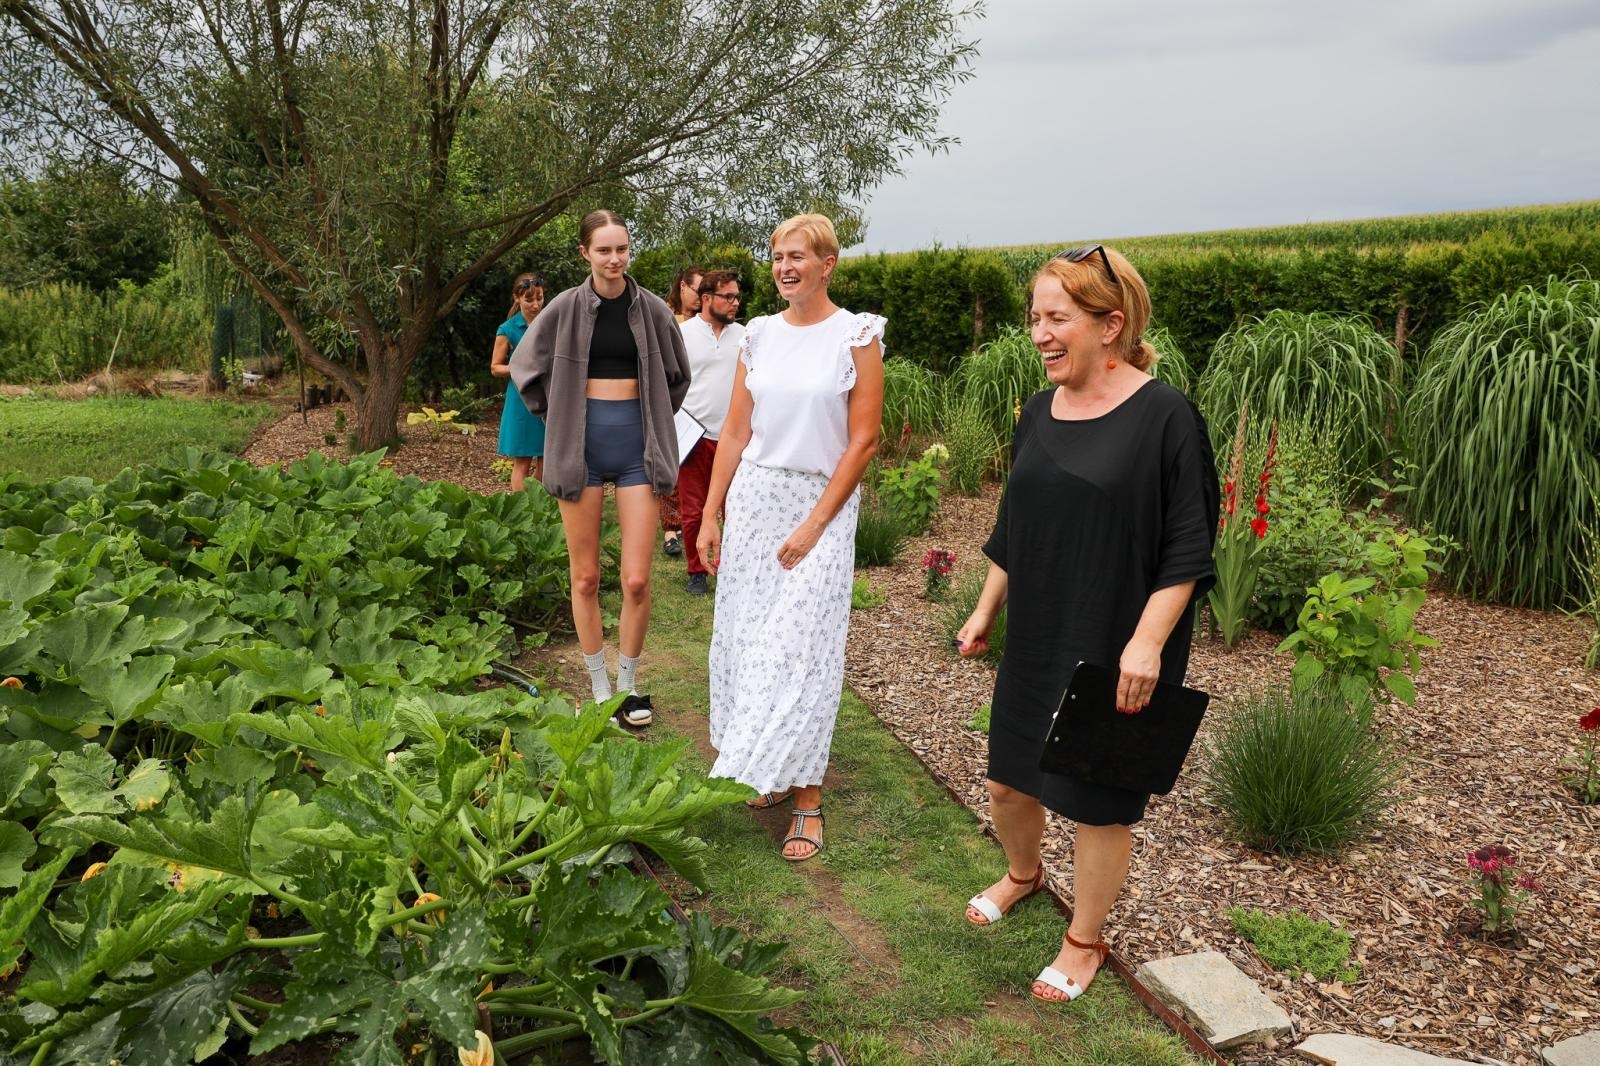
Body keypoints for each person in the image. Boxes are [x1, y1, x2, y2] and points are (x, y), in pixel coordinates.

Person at [955, 245, 1218, 1003]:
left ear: (1110, 324)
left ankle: (1085, 940)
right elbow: (1016, 524)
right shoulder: (1038, 410)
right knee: (1010, 783)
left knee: (1097, 804)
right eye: (1034, 317)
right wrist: (983, 607)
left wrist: (1147, 641)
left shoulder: (1166, 416)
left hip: (1116, 644)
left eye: (1056, 318)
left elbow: (1190, 546)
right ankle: (1024, 876)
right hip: (1038, 635)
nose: (1038, 333)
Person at [697, 214, 884, 861]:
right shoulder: (759, 337)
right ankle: (770, 770)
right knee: (751, 640)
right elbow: (737, 433)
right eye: (777, 256)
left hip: (821, 507)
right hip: (754, 502)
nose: (784, 266)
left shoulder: (855, 336)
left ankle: (808, 799)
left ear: (828, 263)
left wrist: (813, 526)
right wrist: (711, 512)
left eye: (797, 255)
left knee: (803, 650)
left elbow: (863, 441)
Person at [510, 210, 691, 728]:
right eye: (604, 250)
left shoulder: (653, 309)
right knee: (586, 576)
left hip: (637, 450)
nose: (615, 259)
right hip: (579, 454)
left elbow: (678, 377)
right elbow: (526, 367)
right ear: (585, 253)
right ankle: (598, 686)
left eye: (622, 249)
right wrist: (559, 417)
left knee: (636, 579)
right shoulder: (565, 308)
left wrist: (654, 418)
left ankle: (629, 685)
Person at [677, 269, 746, 596]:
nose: (735, 303)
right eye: (728, 297)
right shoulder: (681, 333)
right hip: (694, 438)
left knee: (735, 509)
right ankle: (697, 572)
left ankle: (732, 569)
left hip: (736, 438)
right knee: (693, 510)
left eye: (736, 296)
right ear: (706, 299)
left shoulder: (746, 336)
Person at [658, 266, 704, 558]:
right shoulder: (666, 316)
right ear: (683, 287)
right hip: (673, 399)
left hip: (701, 401)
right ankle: (670, 530)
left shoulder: (705, 321)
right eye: (698, 290)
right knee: (671, 465)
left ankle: (694, 523)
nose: (701, 297)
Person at [491, 273, 546, 492]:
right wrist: (521, 369)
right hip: (522, 402)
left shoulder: (550, 322)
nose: (536, 305)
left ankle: (542, 510)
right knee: (522, 463)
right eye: (529, 300)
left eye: (540, 298)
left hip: (548, 398)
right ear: (517, 298)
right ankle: (522, 511)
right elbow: (495, 367)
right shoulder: (508, 330)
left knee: (547, 463)